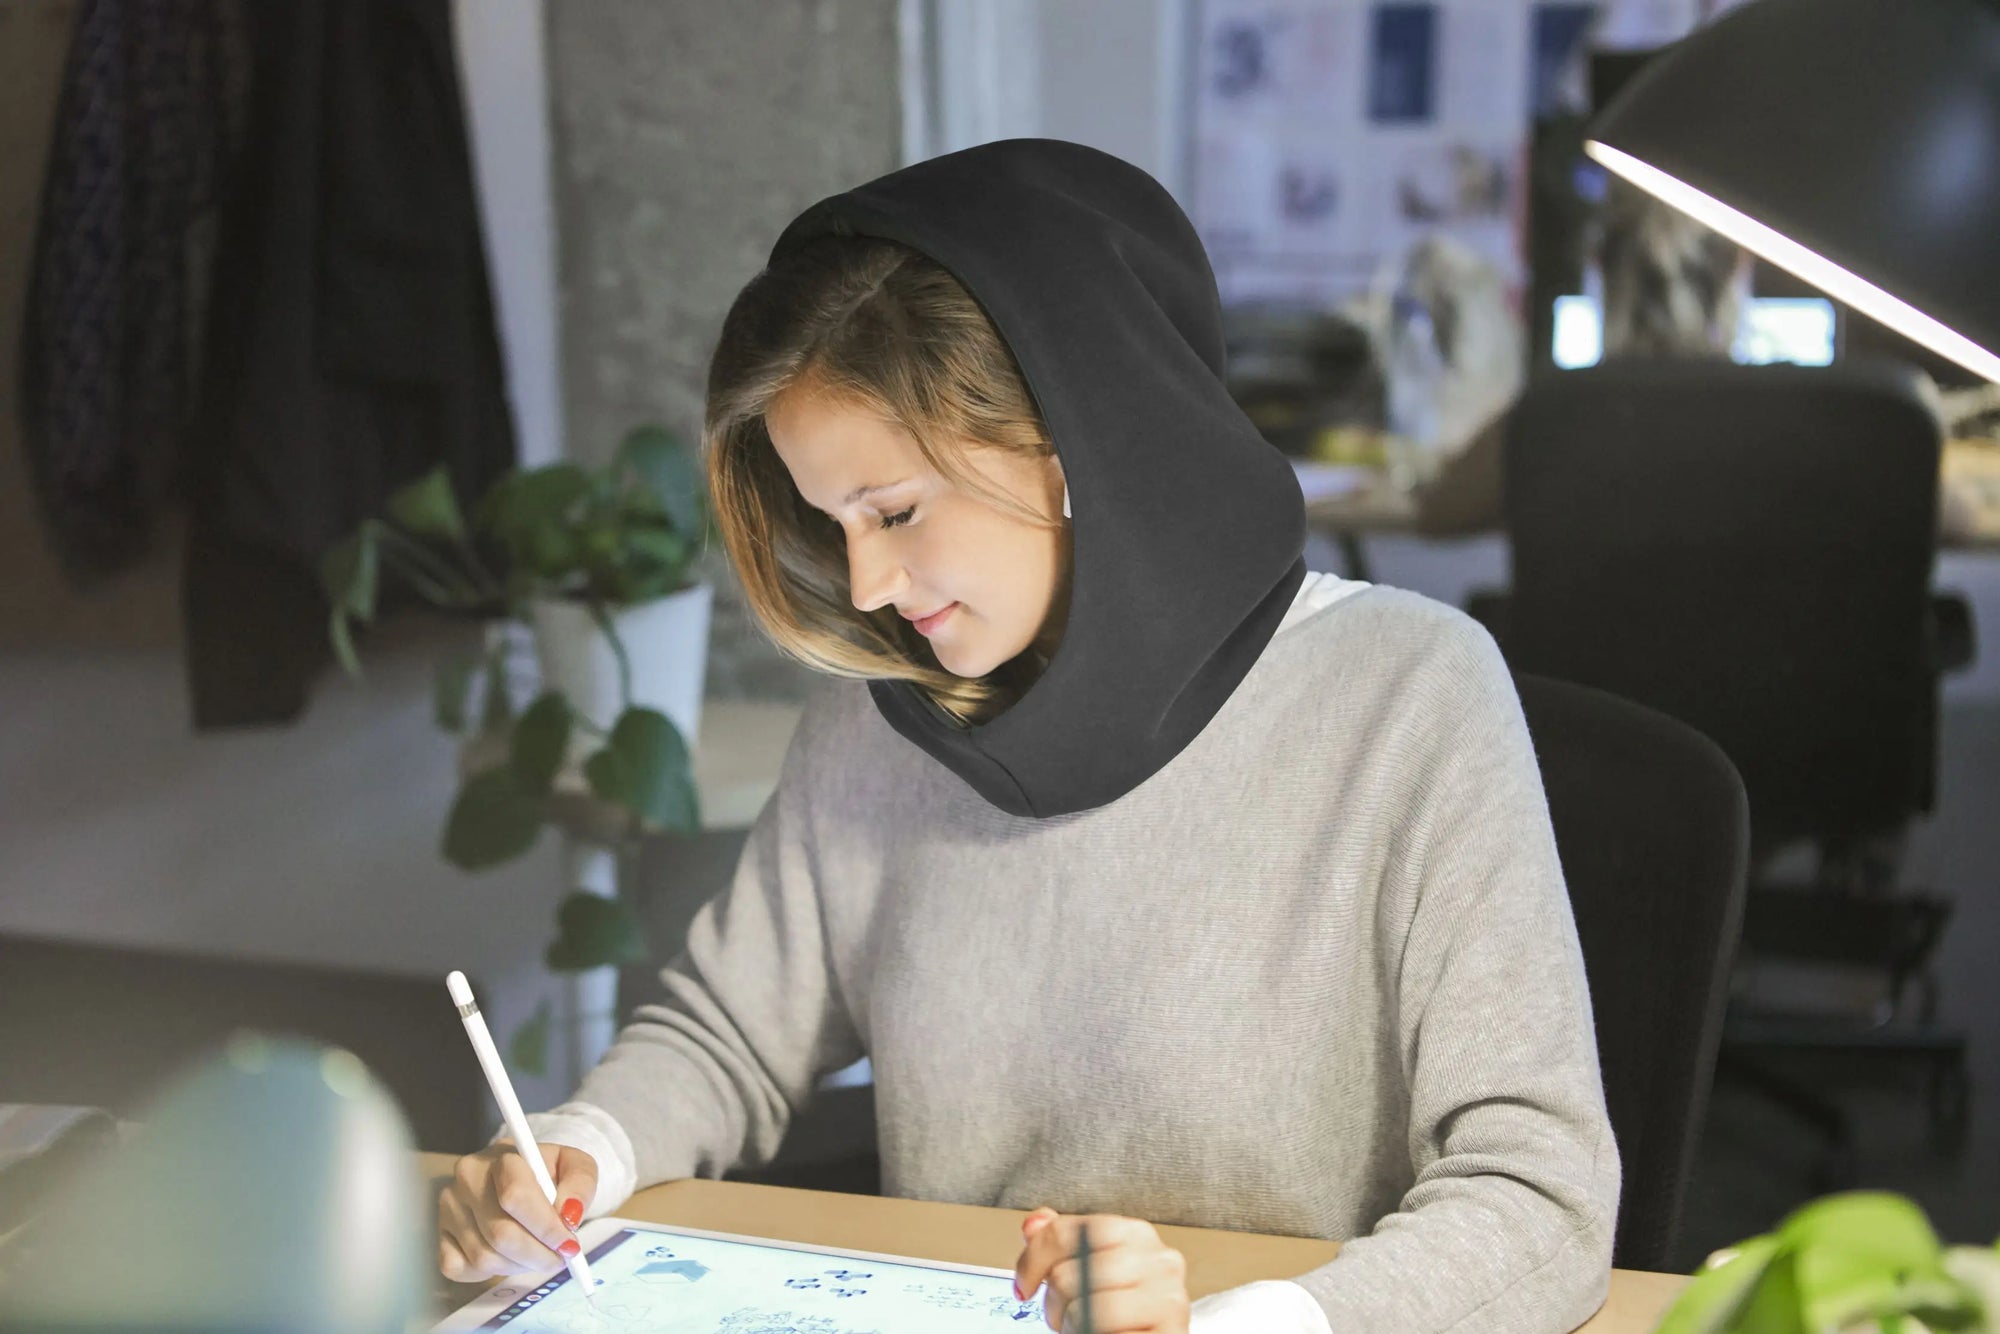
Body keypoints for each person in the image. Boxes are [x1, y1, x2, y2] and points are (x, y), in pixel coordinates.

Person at [437, 138, 1620, 1334]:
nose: (865, 579)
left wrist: (1243, 1325)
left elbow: (1541, 1198)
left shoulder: (1407, 692)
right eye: (829, 519)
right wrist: (582, 1146)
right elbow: (728, 1031)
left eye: (893, 509)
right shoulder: (875, 717)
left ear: (1068, 448)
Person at [1413, 175, 1753, 536]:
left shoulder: (1555, 412)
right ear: (1739, 266)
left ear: (1595, 266)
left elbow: (1437, 516)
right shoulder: (1778, 414)